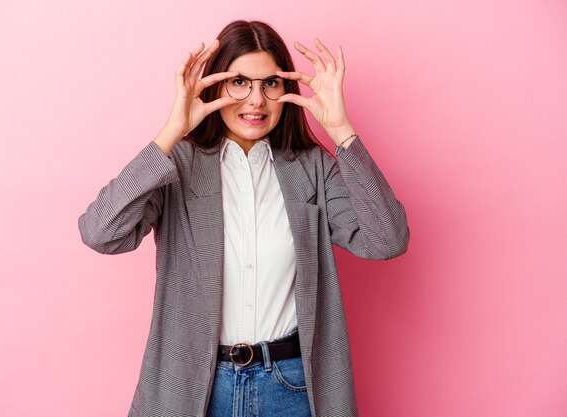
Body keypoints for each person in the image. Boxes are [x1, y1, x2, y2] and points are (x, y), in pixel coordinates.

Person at [79, 20, 409, 417]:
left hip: (291, 386)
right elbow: (101, 232)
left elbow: (387, 240)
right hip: (195, 386)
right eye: (240, 82)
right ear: (215, 85)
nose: (256, 100)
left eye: (270, 83)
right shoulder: (179, 164)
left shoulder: (311, 167)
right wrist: (171, 132)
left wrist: (341, 130)